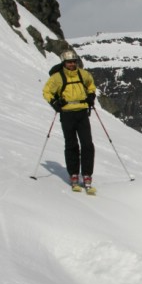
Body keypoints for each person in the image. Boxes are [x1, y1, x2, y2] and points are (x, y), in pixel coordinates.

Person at [42, 50, 97, 192]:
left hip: (82, 113)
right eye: (69, 62)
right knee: (71, 145)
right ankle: (74, 174)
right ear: (64, 63)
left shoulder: (83, 74)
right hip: (67, 114)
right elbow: (47, 91)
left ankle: (86, 174)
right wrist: (54, 102)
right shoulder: (57, 78)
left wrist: (91, 96)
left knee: (87, 145)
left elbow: (91, 85)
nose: (72, 64)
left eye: (74, 61)